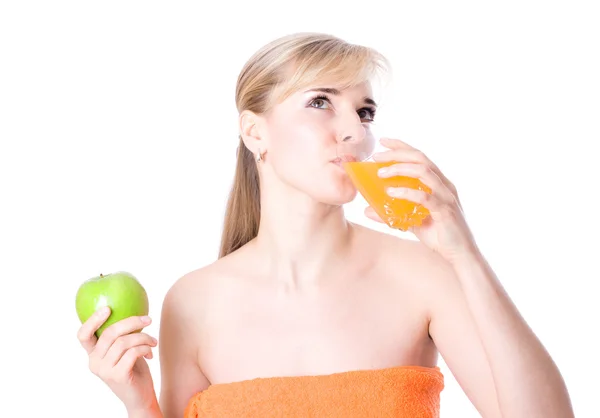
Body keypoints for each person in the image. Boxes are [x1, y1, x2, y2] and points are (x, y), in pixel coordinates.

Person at [76, 32, 574, 418]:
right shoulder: (192, 302)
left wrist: (465, 255)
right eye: (321, 102)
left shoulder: (423, 276)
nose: (355, 130)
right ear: (254, 131)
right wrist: (140, 403)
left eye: (365, 111)